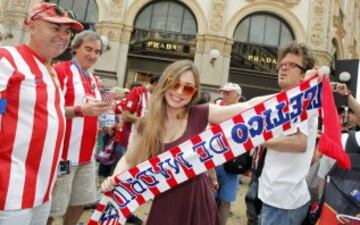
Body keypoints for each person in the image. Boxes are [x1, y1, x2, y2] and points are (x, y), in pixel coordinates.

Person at [101, 60, 267, 225]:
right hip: (164, 203)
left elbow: (250, 106)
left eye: (188, 88)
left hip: (197, 201)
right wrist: (114, 178)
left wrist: (291, 95)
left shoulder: (201, 113)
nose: (179, 92)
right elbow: (129, 159)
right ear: (164, 83)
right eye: (174, 84)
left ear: (194, 93)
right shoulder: (148, 123)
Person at [0, 2, 83, 225]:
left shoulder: (50, 70)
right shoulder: (7, 59)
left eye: (67, 31)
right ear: (31, 25)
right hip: (10, 195)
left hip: (43, 192)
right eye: (55, 28)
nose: (63, 36)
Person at [48, 30, 108, 225]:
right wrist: (80, 110)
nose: (93, 55)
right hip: (63, 155)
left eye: (97, 52)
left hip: (87, 154)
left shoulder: (93, 79)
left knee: (80, 201)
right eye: (88, 49)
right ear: (75, 49)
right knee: (53, 207)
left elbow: (91, 112)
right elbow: (49, 109)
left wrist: (103, 115)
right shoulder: (60, 71)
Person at [258, 42, 318, 225]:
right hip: (280, 197)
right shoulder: (292, 100)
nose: (283, 69)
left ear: (303, 74)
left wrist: (260, 139)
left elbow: (300, 143)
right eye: (281, 65)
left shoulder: (298, 100)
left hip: (282, 201)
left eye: (291, 65)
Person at [215, 82, 243, 225]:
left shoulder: (244, 112)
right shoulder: (215, 108)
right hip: (212, 163)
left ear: (237, 95)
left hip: (232, 164)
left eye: (228, 93)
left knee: (226, 201)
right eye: (223, 92)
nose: (224, 95)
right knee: (209, 198)